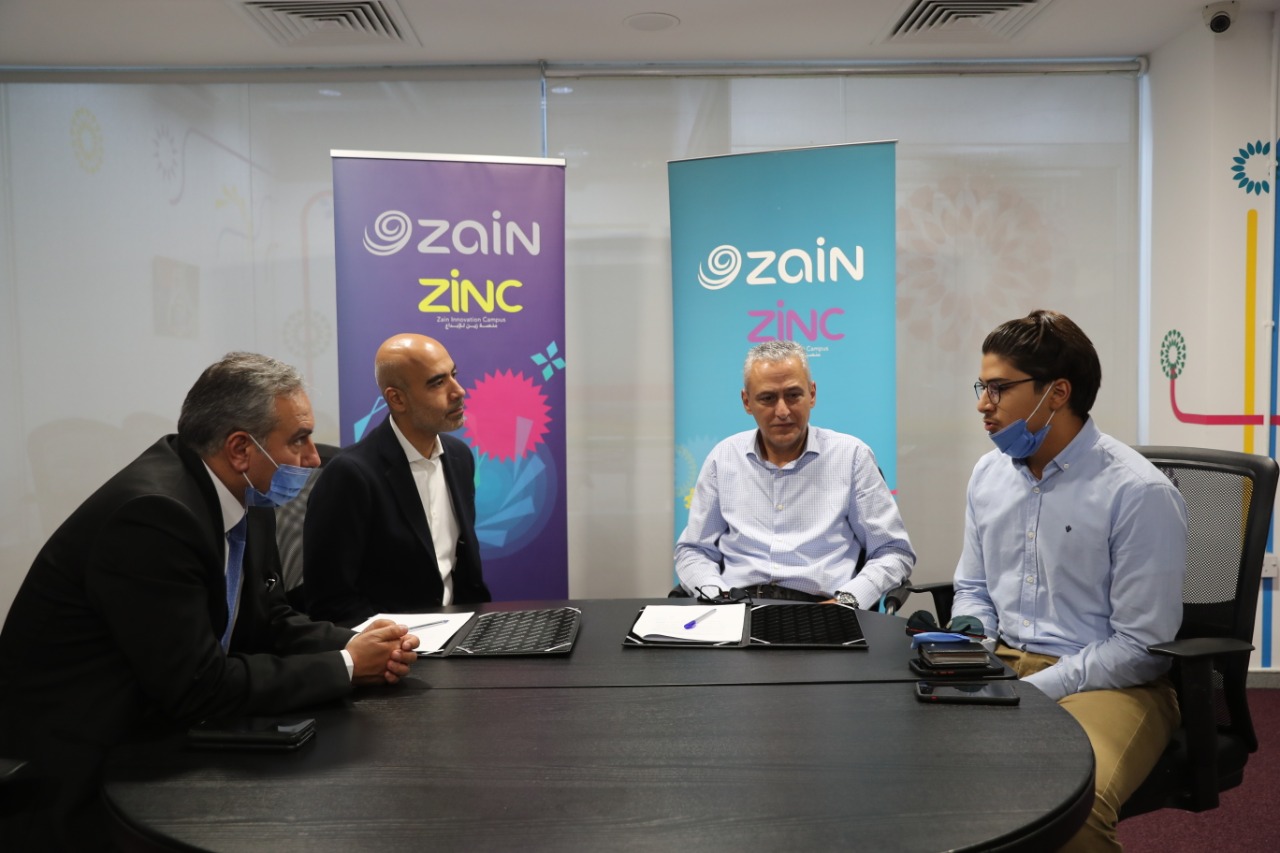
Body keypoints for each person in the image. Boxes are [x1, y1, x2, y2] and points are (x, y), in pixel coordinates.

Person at [0, 352, 420, 851]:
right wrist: (347, 666)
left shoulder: (245, 493)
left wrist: (364, 643)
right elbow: (198, 687)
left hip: (161, 728)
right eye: (299, 440)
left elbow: (269, 619)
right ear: (241, 448)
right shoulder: (153, 516)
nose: (313, 459)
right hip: (79, 770)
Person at [951, 310, 1186, 853]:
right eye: (982, 387)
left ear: (1057, 393)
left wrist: (1036, 688)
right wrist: (971, 643)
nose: (983, 404)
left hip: (1113, 686)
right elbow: (974, 589)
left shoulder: (1137, 492)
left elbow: (1141, 647)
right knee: (912, 774)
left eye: (999, 388)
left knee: (1073, 808)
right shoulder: (988, 475)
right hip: (1003, 664)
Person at [675, 339, 915, 607]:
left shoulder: (852, 457)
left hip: (822, 611)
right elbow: (694, 551)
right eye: (767, 398)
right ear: (746, 402)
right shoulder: (723, 458)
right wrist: (717, 596)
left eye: (793, 395)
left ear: (812, 394)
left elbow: (893, 552)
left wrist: (847, 601)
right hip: (736, 608)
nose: (782, 411)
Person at [304, 333, 489, 625]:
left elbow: (461, 573)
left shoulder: (459, 456)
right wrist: (399, 640)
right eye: (437, 383)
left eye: (453, 375)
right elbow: (331, 602)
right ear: (397, 399)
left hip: (458, 630)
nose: (458, 391)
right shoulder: (351, 475)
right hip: (390, 643)